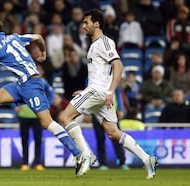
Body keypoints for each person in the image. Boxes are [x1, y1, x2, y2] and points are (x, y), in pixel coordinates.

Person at [0, 18, 91, 176]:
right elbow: (39, 38)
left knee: (47, 122)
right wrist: (42, 53)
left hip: (31, 85)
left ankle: (80, 155)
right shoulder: (15, 37)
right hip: (21, 84)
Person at [58, 9, 157, 179]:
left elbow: (118, 67)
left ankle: (86, 154)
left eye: (86, 22)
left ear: (96, 24)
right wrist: (86, 90)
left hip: (99, 92)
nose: (83, 26)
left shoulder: (104, 43)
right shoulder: (94, 45)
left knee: (65, 117)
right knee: (112, 132)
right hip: (97, 91)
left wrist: (110, 91)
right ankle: (147, 159)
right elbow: (100, 73)